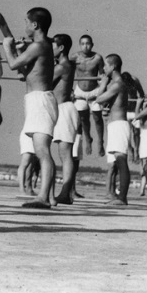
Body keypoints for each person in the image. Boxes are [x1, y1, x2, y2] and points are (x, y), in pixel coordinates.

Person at [3, 8, 57, 209]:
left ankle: (43, 197)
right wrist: (18, 50)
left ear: (34, 25)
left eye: (26, 22)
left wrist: (7, 47)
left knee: (42, 150)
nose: (24, 25)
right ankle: (48, 197)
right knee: (40, 150)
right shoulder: (41, 46)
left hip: (40, 101)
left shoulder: (39, 46)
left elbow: (13, 65)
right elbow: (25, 71)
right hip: (36, 99)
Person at [89, 54, 133, 206]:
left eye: (106, 66)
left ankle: (122, 198)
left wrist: (103, 83)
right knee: (117, 161)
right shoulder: (115, 84)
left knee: (121, 161)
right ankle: (119, 197)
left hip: (120, 125)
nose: (103, 69)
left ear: (113, 66)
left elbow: (99, 99)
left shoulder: (117, 84)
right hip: (115, 125)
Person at [50, 34, 79, 204]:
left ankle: (66, 192)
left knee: (65, 154)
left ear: (61, 48)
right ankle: (65, 192)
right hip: (60, 109)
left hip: (65, 110)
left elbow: (45, 79)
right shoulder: (62, 65)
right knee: (63, 154)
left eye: (53, 46)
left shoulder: (63, 66)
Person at [72, 35, 105, 156]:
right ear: (80, 45)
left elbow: (102, 76)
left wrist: (103, 91)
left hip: (94, 91)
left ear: (92, 44)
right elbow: (68, 74)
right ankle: (88, 139)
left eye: (88, 43)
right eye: (83, 44)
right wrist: (70, 90)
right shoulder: (74, 57)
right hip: (80, 91)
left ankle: (100, 141)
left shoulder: (97, 58)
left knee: (97, 117)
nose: (85, 46)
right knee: (83, 118)